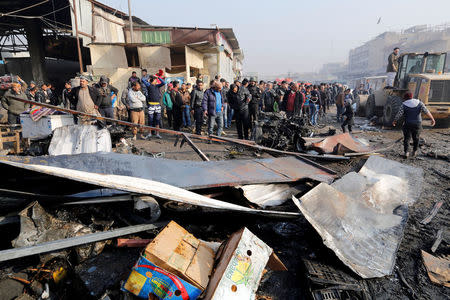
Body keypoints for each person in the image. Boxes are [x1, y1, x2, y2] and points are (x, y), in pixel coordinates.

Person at [393, 92, 435, 158]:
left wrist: (394, 121)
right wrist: (432, 119)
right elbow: (426, 111)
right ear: (412, 97)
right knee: (416, 138)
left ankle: (406, 152)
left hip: (407, 124)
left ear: (405, 98)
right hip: (417, 124)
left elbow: (399, 114)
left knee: (407, 138)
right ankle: (414, 151)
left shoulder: (404, 104)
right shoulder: (420, 103)